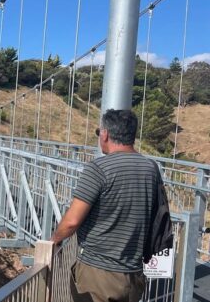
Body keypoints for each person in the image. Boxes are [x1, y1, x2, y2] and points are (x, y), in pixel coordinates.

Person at [51, 109, 163, 302]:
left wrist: (54, 241)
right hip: (133, 274)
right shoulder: (151, 169)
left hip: (98, 274)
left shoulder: (98, 169)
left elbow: (72, 221)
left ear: (105, 134)